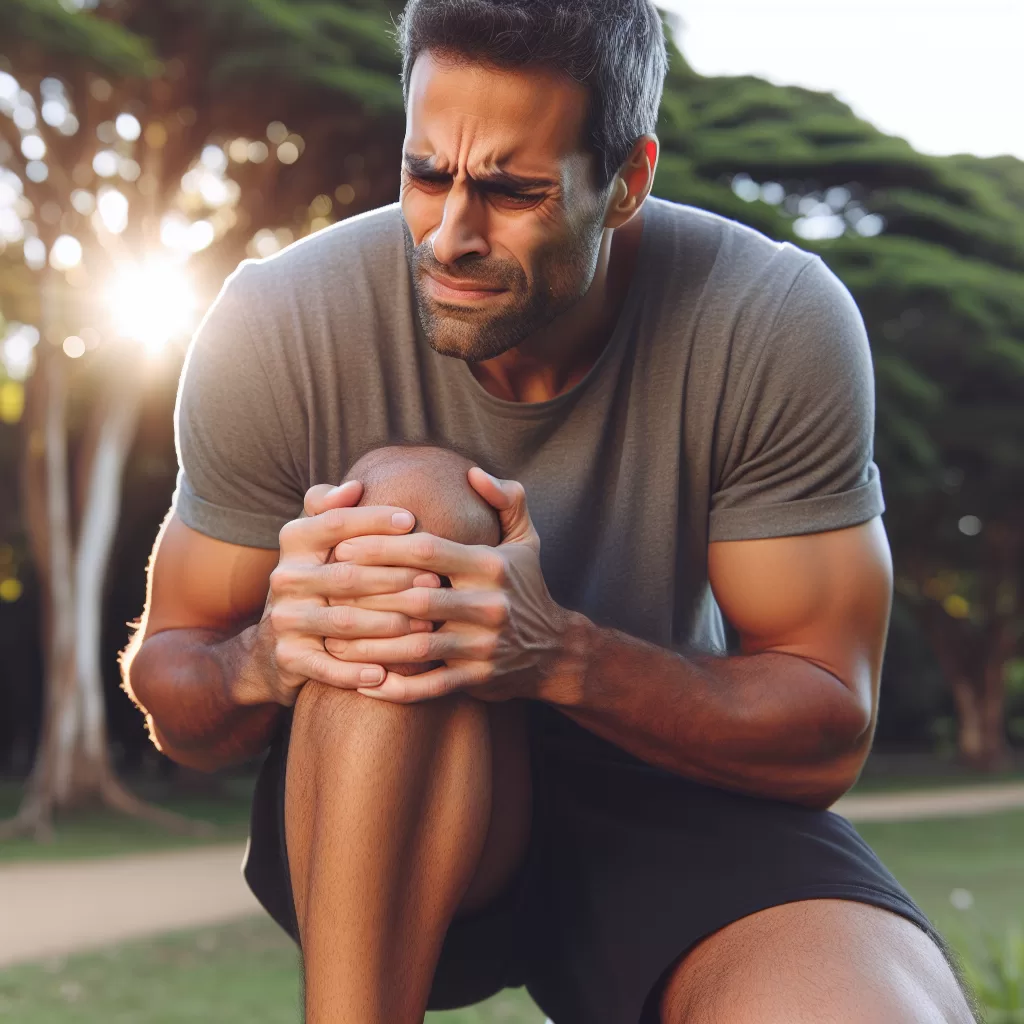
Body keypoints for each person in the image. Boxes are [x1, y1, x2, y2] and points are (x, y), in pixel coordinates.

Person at [122, 1, 979, 1021]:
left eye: (511, 191)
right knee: (407, 515)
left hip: (670, 787)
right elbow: (176, 691)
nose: (448, 235)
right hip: (378, 798)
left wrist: (559, 653)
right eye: (425, 172)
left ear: (626, 184)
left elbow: (823, 734)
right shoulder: (279, 321)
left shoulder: (771, 318)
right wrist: (264, 654)